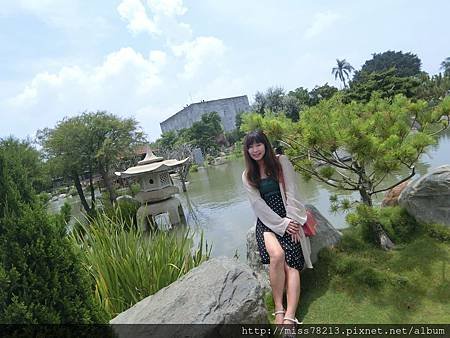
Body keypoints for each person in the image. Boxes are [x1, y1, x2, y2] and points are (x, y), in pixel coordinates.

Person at [241, 130, 313, 325]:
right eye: (251, 146)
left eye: (258, 145)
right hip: (267, 223)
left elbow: (292, 192)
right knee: (277, 255)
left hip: (288, 217)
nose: (255, 150)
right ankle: (278, 308)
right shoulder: (248, 175)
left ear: (265, 145)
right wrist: (282, 225)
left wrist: (291, 221)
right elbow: (258, 206)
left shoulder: (281, 162)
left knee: (292, 265)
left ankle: (290, 316)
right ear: (247, 151)